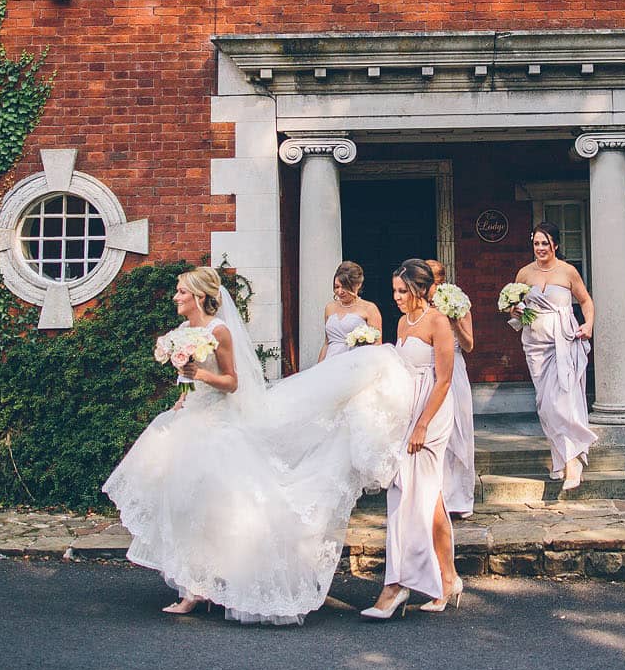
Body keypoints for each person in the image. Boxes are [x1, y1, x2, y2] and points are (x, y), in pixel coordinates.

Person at [104, 266, 414, 625]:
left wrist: (200, 375)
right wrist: (183, 396)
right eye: (178, 291)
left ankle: (204, 587)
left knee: (213, 508)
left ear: (200, 296)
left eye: (182, 292)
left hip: (216, 427)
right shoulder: (185, 332)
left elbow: (232, 381)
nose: (176, 297)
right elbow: (187, 380)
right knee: (185, 507)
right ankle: (193, 588)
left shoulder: (218, 330)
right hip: (189, 419)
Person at [362, 259, 461, 619]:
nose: (396, 298)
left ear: (419, 289)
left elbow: (445, 380)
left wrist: (421, 425)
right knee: (424, 497)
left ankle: (396, 584)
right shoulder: (403, 323)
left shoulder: (438, 321)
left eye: (402, 291)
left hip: (432, 415)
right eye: (394, 292)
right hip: (407, 412)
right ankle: (447, 578)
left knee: (409, 496)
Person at [511, 222, 598, 492]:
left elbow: (585, 301)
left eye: (545, 243)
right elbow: (515, 306)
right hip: (536, 345)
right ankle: (558, 458)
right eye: (536, 243)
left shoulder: (568, 271)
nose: (540, 248)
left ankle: (573, 463)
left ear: (555, 245)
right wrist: (514, 310)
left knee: (564, 402)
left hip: (564, 341)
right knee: (546, 406)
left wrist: (588, 325)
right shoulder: (524, 273)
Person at [426, 258, 476, 517]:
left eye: (432, 280)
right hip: (428, 370)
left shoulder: (458, 301)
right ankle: (437, 497)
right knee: (435, 432)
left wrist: (455, 320)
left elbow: (468, 345)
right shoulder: (419, 306)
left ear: (441, 281)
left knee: (459, 430)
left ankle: (459, 498)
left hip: (454, 370)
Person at [319, 260, 382, 363]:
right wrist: (318, 367)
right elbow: (327, 343)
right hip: (330, 362)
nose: (340, 291)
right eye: (336, 287)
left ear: (358, 285)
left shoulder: (369, 308)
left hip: (355, 363)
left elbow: (377, 344)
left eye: (345, 287)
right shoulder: (329, 308)